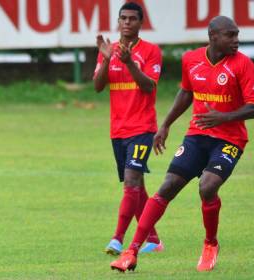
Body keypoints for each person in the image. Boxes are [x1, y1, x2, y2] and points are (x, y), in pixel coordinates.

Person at [110, 15, 254, 272]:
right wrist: (166, 125)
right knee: (167, 186)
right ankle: (131, 251)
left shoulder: (243, 64)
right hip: (197, 136)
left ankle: (210, 244)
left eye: (237, 35)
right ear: (213, 37)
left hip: (230, 139)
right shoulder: (191, 59)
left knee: (207, 186)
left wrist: (223, 117)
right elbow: (186, 92)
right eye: (230, 35)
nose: (236, 40)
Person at [93, 2, 164, 255]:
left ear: (140, 23)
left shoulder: (151, 51)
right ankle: (153, 239)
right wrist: (106, 60)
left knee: (132, 182)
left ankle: (118, 239)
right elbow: (98, 87)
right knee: (136, 187)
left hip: (143, 128)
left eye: (132, 19)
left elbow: (149, 87)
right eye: (123, 18)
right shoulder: (108, 50)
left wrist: (130, 63)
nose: (126, 23)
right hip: (118, 130)